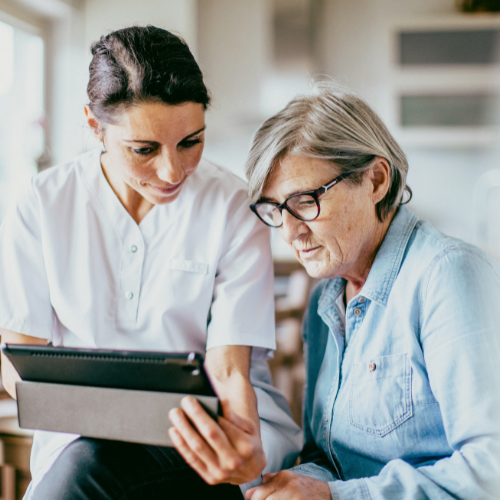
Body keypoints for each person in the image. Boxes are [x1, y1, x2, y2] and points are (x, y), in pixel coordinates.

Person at [0, 26, 302, 499]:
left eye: (191, 142)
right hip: (82, 445)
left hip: (211, 432)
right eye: (144, 150)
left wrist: (242, 442)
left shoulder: (232, 206)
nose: (172, 171)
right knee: (89, 462)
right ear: (93, 125)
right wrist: (105, 417)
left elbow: (227, 369)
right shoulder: (41, 203)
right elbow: (21, 367)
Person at [243, 82, 500, 500]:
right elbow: (329, 458)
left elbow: (491, 470)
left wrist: (334, 497)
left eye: (305, 201)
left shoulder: (448, 275)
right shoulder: (324, 303)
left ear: (376, 180)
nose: (289, 232)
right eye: (276, 210)